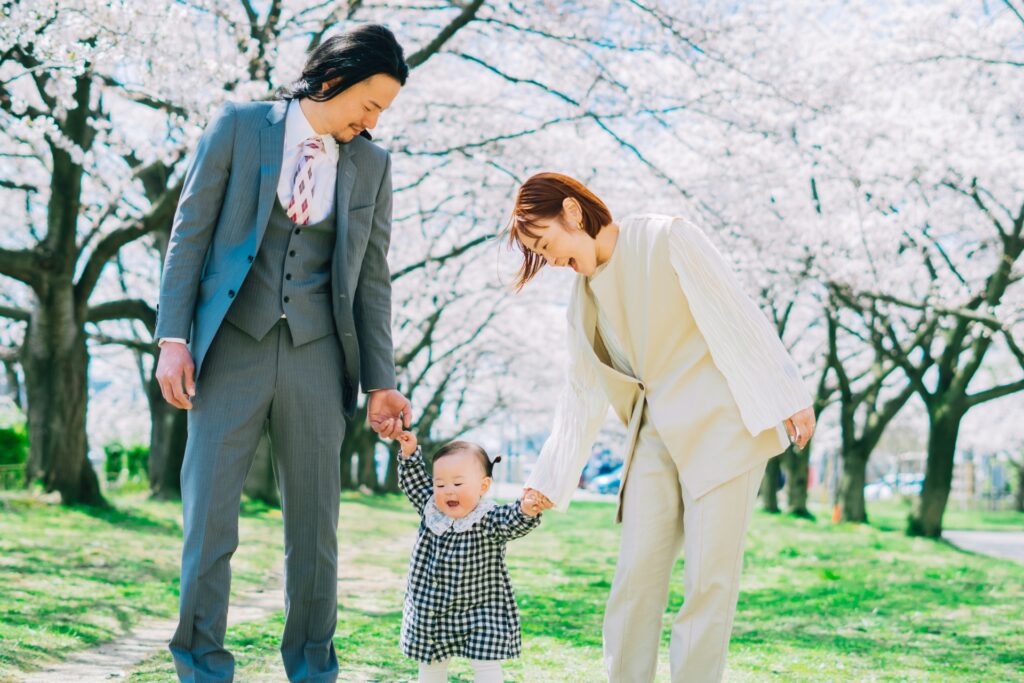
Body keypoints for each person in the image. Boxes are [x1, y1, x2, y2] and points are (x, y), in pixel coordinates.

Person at [154, 25, 413, 682]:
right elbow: (189, 234)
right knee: (208, 523)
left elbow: (372, 280)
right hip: (229, 348)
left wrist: (381, 381)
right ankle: (201, 664)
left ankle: (312, 667)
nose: (374, 118)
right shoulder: (240, 128)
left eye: (384, 109)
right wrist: (172, 339)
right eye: (370, 102)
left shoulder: (372, 167)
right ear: (334, 77)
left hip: (318, 358)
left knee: (315, 532)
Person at [505, 172, 816, 682]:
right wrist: (550, 476)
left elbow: (734, 312)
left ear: (573, 212)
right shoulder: (581, 301)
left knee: (709, 583)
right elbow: (581, 390)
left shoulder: (667, 237)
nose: (552, 260)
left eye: (546, 243)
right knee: (634, 579)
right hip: (651, 437)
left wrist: (788, 394)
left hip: (723, 430)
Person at [394, 432, 543, 683]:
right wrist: (409, 454)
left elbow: (512, 521)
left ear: (483, 486)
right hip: (431, 609)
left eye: (458, 484)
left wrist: (525, 509)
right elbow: (414, 482)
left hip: (481, 608)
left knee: (486, 664)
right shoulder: (431, 508)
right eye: (440, 484)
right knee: (431, 663)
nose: (448, 491)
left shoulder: (488, 518)